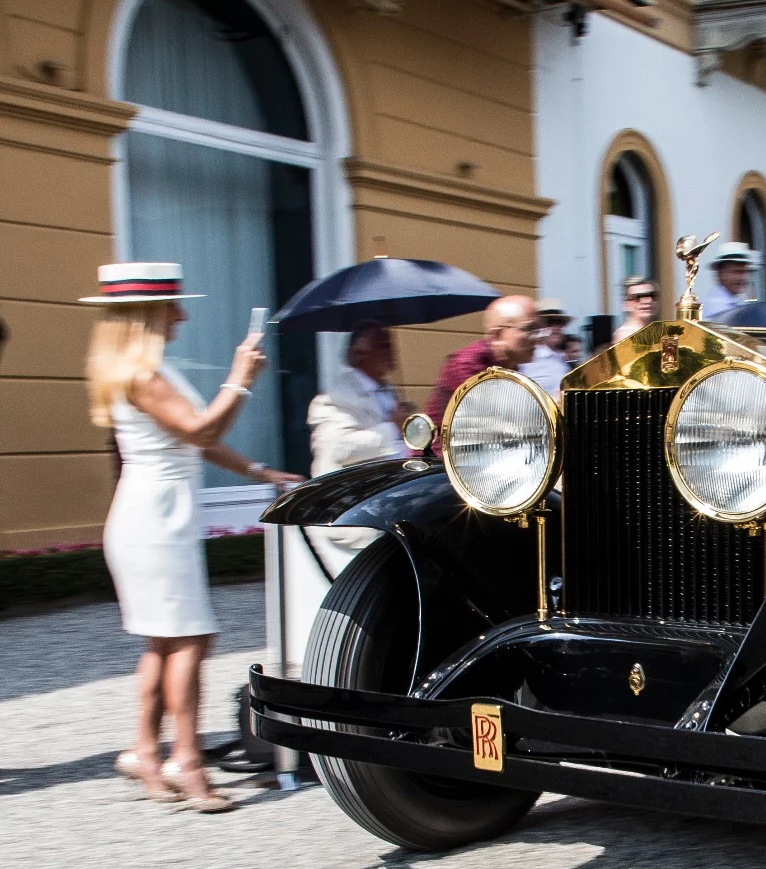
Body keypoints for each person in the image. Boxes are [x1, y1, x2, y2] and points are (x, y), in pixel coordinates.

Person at [82, 262, 302, 811]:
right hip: (153, 521)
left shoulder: (144, 369)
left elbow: (194, 442)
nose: (181, 315)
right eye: (171, 306)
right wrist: (240, 378)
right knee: (189, 641)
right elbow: (202, 430)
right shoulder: (143, 375)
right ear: (146, 314)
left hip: (153, 517)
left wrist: (258, 471)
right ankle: (187, 761)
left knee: (166, 643)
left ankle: (144, 753)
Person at [307, 321, 410, 477]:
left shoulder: (390, 391)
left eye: (390, 344)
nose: (391, 352)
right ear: (359, 353)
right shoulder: (334, 397)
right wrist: (393, 427)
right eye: (382, 345)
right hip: (357, 486)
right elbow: (340, 448)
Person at [424, 294, 539, 429]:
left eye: (537, 330)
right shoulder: (466, 365)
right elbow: (492, 420)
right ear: (498, 335)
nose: (536, 338)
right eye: (529, 329)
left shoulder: (511, 366)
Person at [525, 299, 573, 400]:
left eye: (559, 322)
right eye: (550, 322)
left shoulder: (562, 358)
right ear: (538, 327)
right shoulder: (529, 358)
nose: (556, 327)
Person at [701, 243, 755, 320]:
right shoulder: (717, 306)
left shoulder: (734, 301)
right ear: (720, 274)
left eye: (745, 272)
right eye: (737, 272)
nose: (742, 278)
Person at [613, 276, 657, 344]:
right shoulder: (625, 336)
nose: (647, 301)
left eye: (652, 295)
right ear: (626, 303)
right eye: (638, 296)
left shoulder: (661, 332)